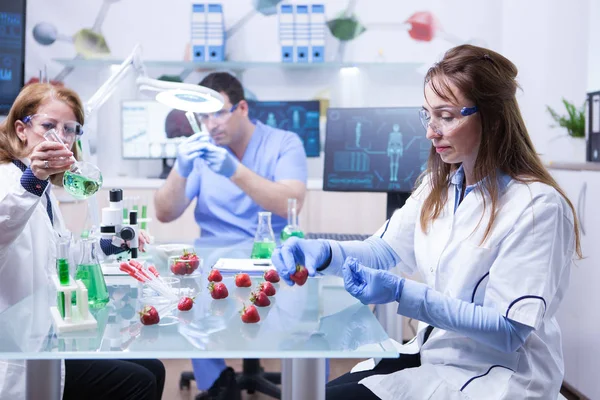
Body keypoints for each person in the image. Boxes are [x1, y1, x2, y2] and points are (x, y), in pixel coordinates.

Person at [272, 44, 581, 400]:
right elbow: (385, 250)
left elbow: (509, 330)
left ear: (493, 118)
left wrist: (403, 294)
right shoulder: (440, 185)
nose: (430, 132)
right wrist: (322, 253)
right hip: (438, 355)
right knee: (324, 392)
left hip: (501, 377)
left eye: (446, 116)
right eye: (427, 116)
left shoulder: (535, 206)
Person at [0, 83, 165, 400]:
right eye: (49, 126)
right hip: (18, 352)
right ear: (22, 129)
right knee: (139, 382)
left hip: (49, 334)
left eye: (70, 129)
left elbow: (63, 255)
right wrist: (32, 181)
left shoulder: (44, 190)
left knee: (153, 368)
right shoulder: (11, 179)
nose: (61, 137)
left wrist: (105, 246)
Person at [154, 72, 308, 399]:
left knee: (306, 321)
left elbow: (289, 204)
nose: (211, 124)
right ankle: (218, 385)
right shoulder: (201, 151)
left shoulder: (283, 143)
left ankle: (308, 388)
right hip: (214, 258)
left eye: (219, 112)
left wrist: (234, 171)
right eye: (204, 116)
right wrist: (181, 168)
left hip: (273, 258)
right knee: (188, 305)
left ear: (242, 108)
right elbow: (165, 212)